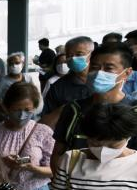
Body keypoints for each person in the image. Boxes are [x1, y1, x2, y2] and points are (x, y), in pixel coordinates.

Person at [51, 42, 137, 170]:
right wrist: (62, 180)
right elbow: (58, 154)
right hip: (76, 180)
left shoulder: (134, 110)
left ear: (127, 73)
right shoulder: (74, 109)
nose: (99, 73)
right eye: (94, 67)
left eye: (108, 68)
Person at [41, 36, 95, 126]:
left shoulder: (102, 83)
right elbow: (45, 122)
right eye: (69, 55)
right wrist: (65, 109)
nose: (73, 58)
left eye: (79, 54)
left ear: (92, 55)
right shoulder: (58, 87)